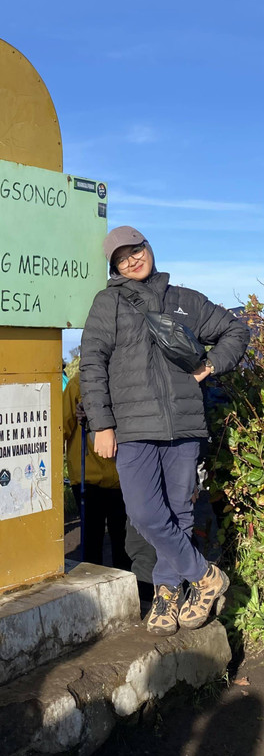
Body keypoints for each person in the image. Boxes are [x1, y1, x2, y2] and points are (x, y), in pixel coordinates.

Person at [80, 226, 249, 636]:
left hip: (185, 425)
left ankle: (167, 593)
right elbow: (91, 363)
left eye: (136, 250)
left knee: (180, 512)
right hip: (134, 428)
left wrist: (209, 368)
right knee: (143, 513)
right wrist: (102, 424)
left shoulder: (184, 300)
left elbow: (236, 330)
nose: (132, 260)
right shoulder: (108, 303)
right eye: (122, 258)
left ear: (148, 248)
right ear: (114, 267)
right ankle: (205, 575)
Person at [63, 371, 131, 570]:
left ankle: (127, 592)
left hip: (122, 476)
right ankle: (92, 595)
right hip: (89, 478)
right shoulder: (78, 383)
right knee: (92, 541)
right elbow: (61, 426)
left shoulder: (124, 379)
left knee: (124, 541)